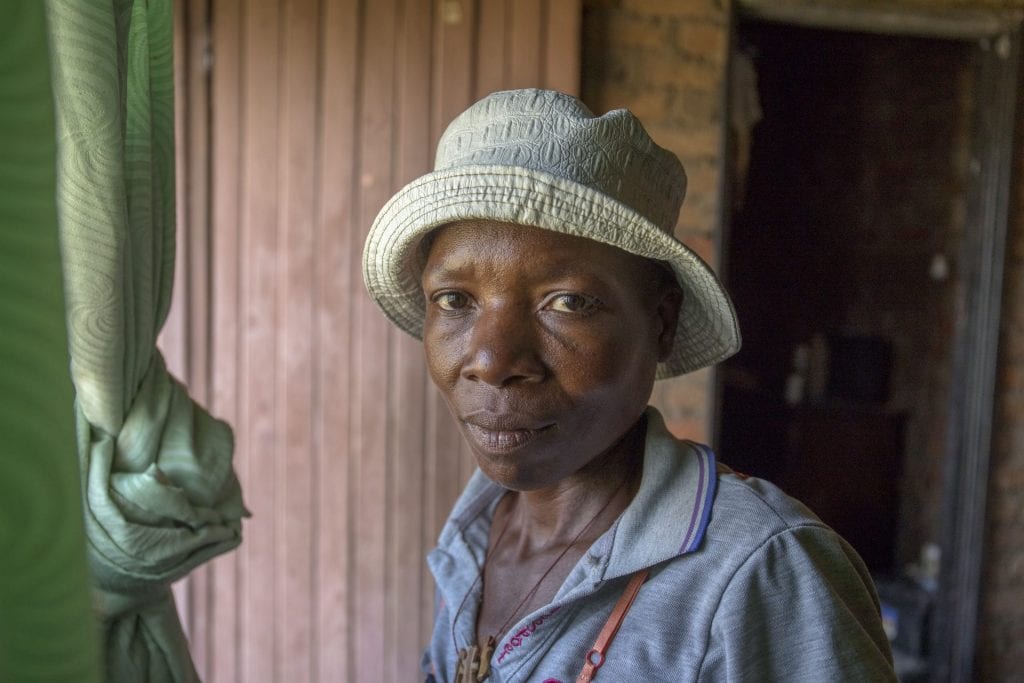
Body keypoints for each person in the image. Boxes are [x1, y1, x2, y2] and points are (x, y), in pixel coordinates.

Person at [362, 88, 896, 682]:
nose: (490, 360)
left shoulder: (758, 576)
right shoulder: (475, 534)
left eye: (565, 301)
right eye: (454, 300)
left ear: (661, 324)